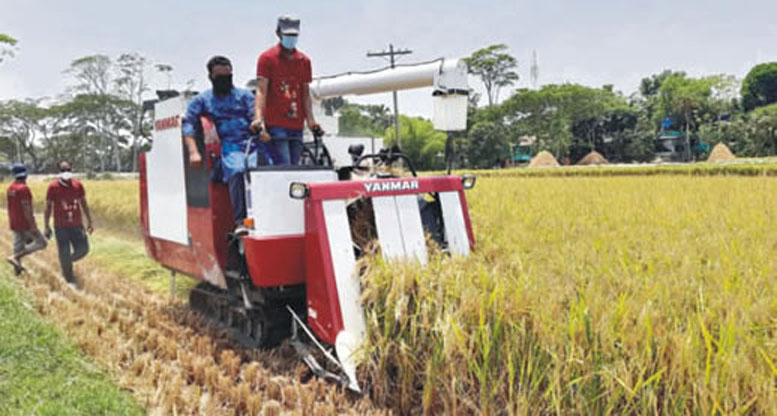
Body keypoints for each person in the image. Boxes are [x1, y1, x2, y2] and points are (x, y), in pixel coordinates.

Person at [183, 55, 265, 227]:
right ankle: (241, 222)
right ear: (211, 77)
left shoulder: (244, 96)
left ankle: (267, 217)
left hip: (252, 142)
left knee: (263, 173)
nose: (225, 81)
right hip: (230, 146)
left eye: (228, 76)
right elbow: (189, 123)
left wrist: (259, 127)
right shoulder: (203, 100)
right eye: (220, 77)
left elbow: (255, 116)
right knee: (238, 171)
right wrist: (193, 151)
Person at [252, 15, 323, 166]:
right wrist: (259, 119)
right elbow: (261, 91)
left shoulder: (304, 61)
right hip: (276, 124)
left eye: (294, 35)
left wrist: (310, 120)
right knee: (285, 166)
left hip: (297, 124)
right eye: (288, 35)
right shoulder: (267, 59)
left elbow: (305, 94)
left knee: (295, 166)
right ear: (279, 34)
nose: (291, 38)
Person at [44, 161, 93, 286]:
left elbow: (84, 204)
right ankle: (69, 278)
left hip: (76, 225)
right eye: (63, 170)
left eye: (68, 170)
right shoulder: (53, 187)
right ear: (59, 172)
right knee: (64, 250)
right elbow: (48, 207)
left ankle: (67, 261)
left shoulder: (78, 185)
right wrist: (46, 225)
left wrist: (89, 221)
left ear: (71, 170)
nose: (66, 173)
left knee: (84, 249)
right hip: (61, 227)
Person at [6, 163, 47, 275]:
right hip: (24, 224)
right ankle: (15, 257)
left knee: (17, 246)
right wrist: (33, 226)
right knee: (42, 243)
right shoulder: (24, 189)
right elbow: (27, 209)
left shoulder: (10, 188)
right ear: (25, 175)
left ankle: (17, 273)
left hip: (14, 222)